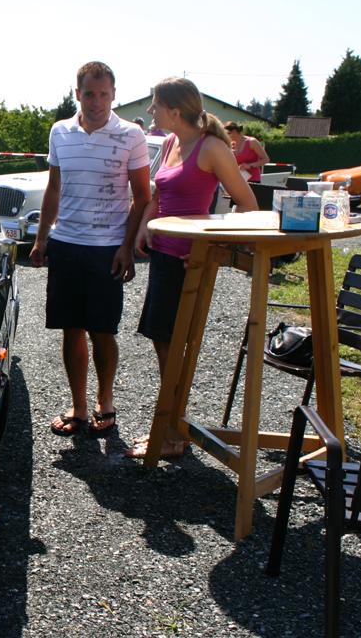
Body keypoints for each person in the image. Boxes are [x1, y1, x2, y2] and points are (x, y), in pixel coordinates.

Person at [125, 78, 259, 459]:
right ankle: (171, 427)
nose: (151, 112)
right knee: (161, 339)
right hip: (163, 254)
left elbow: (248, 206)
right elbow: (159, 193)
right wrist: (142, 228)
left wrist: (215, 246)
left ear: (175, 110)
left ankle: (171, 434)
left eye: (155, 105)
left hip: (190, 260)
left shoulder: (212, 147)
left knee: (176, 343)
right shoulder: (170, 143)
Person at [29, 61, 152, 437]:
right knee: (71, 330)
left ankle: (106, 401)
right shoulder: (60, 132)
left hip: (106, 248)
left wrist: (126, 247)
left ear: (114, 95)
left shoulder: (131, 135)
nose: (96, 101)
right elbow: (54, 188)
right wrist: (42, 237)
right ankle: (78, 406)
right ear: (77, 93)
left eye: (103, 94)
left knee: (103, 330)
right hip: (66, 244)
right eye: (89, 93)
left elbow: (143, 196)